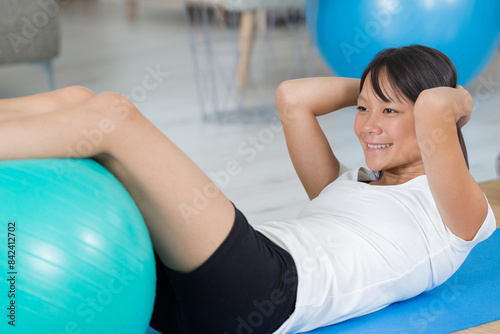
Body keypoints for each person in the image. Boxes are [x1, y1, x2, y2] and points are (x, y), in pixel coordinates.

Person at [0, 44, 495, 334]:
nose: (367, 125)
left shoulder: (457, 214)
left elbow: (431, 110)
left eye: (390, 112)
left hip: (264, 293)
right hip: (195, 292)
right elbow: (292, 99)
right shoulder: (345, 183)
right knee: (80, 99)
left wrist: (448, 99)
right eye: (363, 109)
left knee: (112, 120)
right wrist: (376, 87)